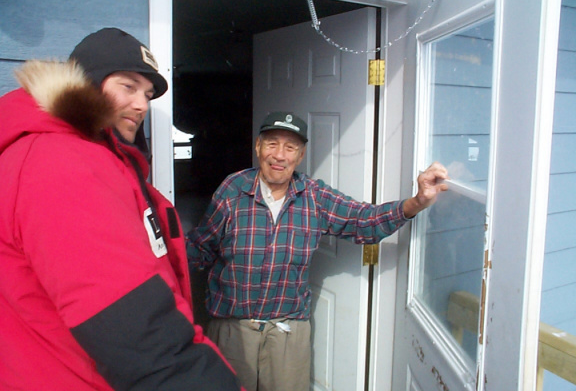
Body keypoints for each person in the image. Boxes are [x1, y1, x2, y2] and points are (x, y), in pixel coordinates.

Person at [0, 28, 242, 390]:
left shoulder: (85, 158)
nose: (142, 105)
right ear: (85, 83)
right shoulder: (62, 163)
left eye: (147, 95)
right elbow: (134, 329)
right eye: (128, 87)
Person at [187, 111, 449, 391]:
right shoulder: (232, 189)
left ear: (300, 156)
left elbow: (364, 221)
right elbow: (201, 246)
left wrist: (418, 201)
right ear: (258, 147)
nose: (279, 155)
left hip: (288, 333)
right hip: (232, 329)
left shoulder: (314, 195)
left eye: (290, 148)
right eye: (272, 144)